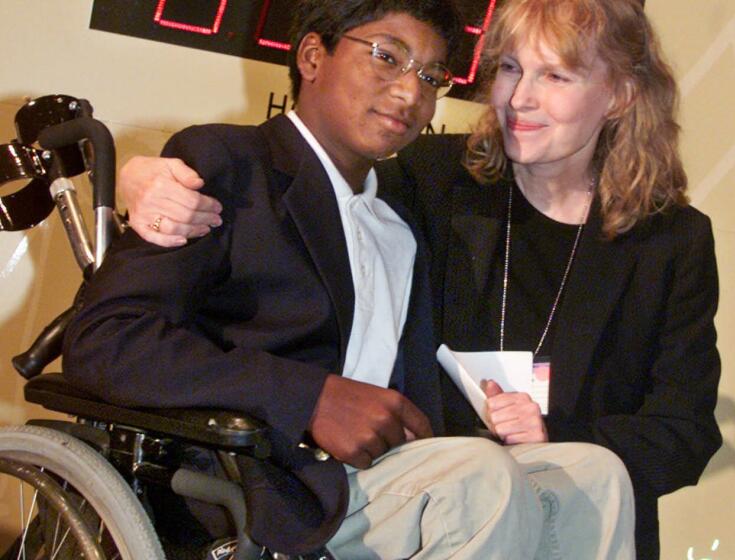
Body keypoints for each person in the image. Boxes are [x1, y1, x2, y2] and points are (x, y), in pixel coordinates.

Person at [65, 0, 637, 558]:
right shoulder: (227, 164)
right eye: (387, 57)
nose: (412, 93)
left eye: (431, 75)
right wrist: (309, 398)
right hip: (260, 481)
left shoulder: (399, 221)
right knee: (479, 480)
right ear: (313, 57)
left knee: (595, 474)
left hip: (376, 483)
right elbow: (105, 341)